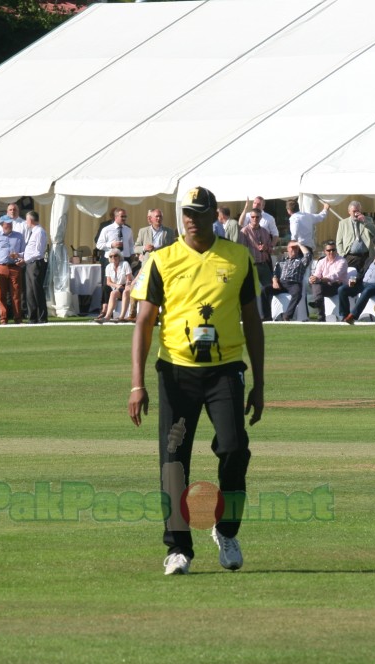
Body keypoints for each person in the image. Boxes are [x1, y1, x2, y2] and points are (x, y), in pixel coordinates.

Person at [129, 185, 264, 576]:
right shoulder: (161, 259)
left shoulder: (237, 257)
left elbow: (253, 322)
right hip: (175, 373)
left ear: (212, 216)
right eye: (186, 212)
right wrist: (137, 384)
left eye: (198, 212)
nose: (190, 218)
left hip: (225, 372)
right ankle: (178, 549)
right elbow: (143, 323)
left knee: (236, 449)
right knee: (174, 462)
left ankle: (227, 530)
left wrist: (259, 381)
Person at [340, 240, 375, 324]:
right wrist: (355, 280)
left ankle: (353, 316)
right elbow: (362, 272)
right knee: (342, 289)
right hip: (362, 284)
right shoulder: (370, 259)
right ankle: (344, 315)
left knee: (367, 291)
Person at [238, 208, 274, 321]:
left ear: (260, 218)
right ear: (250, 218)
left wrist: (266, 248)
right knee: (251, 291)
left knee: (269, 289)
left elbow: (271, 249)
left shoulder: (264, 231)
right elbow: (242, 250)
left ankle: (267, 315)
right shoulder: (244, 231)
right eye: (253, 217)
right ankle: (252, 315)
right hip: (252, 265)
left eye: (257, 217)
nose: (255, 219)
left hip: (263, 264)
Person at [0, 218, 25, 325]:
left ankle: (18, 318)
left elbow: (23, 251)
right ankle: (3, 318)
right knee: (1, 294)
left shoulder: (19, 236)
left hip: (14, 267)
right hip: (0, 267)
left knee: (16, 294)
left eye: (10, 224)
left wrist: (19, 258)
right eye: (6, 224)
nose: (9, 226)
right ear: (2, 225)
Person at [307, 240, 347, 322]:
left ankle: (319, 310)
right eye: (329, 250)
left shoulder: (342, 261)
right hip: (323, 286)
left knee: (317, 284)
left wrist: (320, 279)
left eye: (333, 250)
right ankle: (318, 304)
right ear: (325, 251)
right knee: (316, 283)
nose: (331, 252)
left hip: (337, 286)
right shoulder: (321, 261)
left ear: (336, 250)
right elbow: (317, 274)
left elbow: (336, 275)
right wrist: (312, 278)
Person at [271, 241, 311, 321]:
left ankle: (287, 315)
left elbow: (308, 255)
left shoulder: (301, 261)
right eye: (291, 248)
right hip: (281, 283)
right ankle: (265, 315)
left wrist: (299, 244)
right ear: (287, 249)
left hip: (293, 283)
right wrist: (275, 282)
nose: (294, 250)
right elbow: (275, 274)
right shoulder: (281, 261)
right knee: (264, 290)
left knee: (297, 293)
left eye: (296, 248)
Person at [336, 200, 375, 271]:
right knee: (351, 277)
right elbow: (339, 241)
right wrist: (342, 255)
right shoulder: (343, 223)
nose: (356, 214)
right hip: (350, 257)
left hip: (366, 256)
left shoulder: (368, 220)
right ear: (349, 212)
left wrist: (365, 222)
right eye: (354, 211)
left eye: (358, 211)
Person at [23, 210, 48, 324]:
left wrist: (25, 259)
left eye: (27, 219)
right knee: (30, 292)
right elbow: (30, 250)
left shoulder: (39, 232)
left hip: (36, 263)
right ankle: (32, 316)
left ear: (31, 220)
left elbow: (38, 252)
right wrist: (20, 255)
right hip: (29, 263)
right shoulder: (32, 232)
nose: (26, 222)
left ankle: (41, 316)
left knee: (37, 290)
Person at [96, 248, 131, 323]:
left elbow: (129, 279)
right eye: (111, 256)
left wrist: (125, 287)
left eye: (115, 256)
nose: (113, 258)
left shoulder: (125, 264)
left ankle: (121, 317)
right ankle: (107, 317)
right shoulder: (108, 267)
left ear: (119, 256)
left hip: (127, 286)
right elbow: (108, 282)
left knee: (124, 292)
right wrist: (117, 285)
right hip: (117, 287)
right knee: (113, 293)